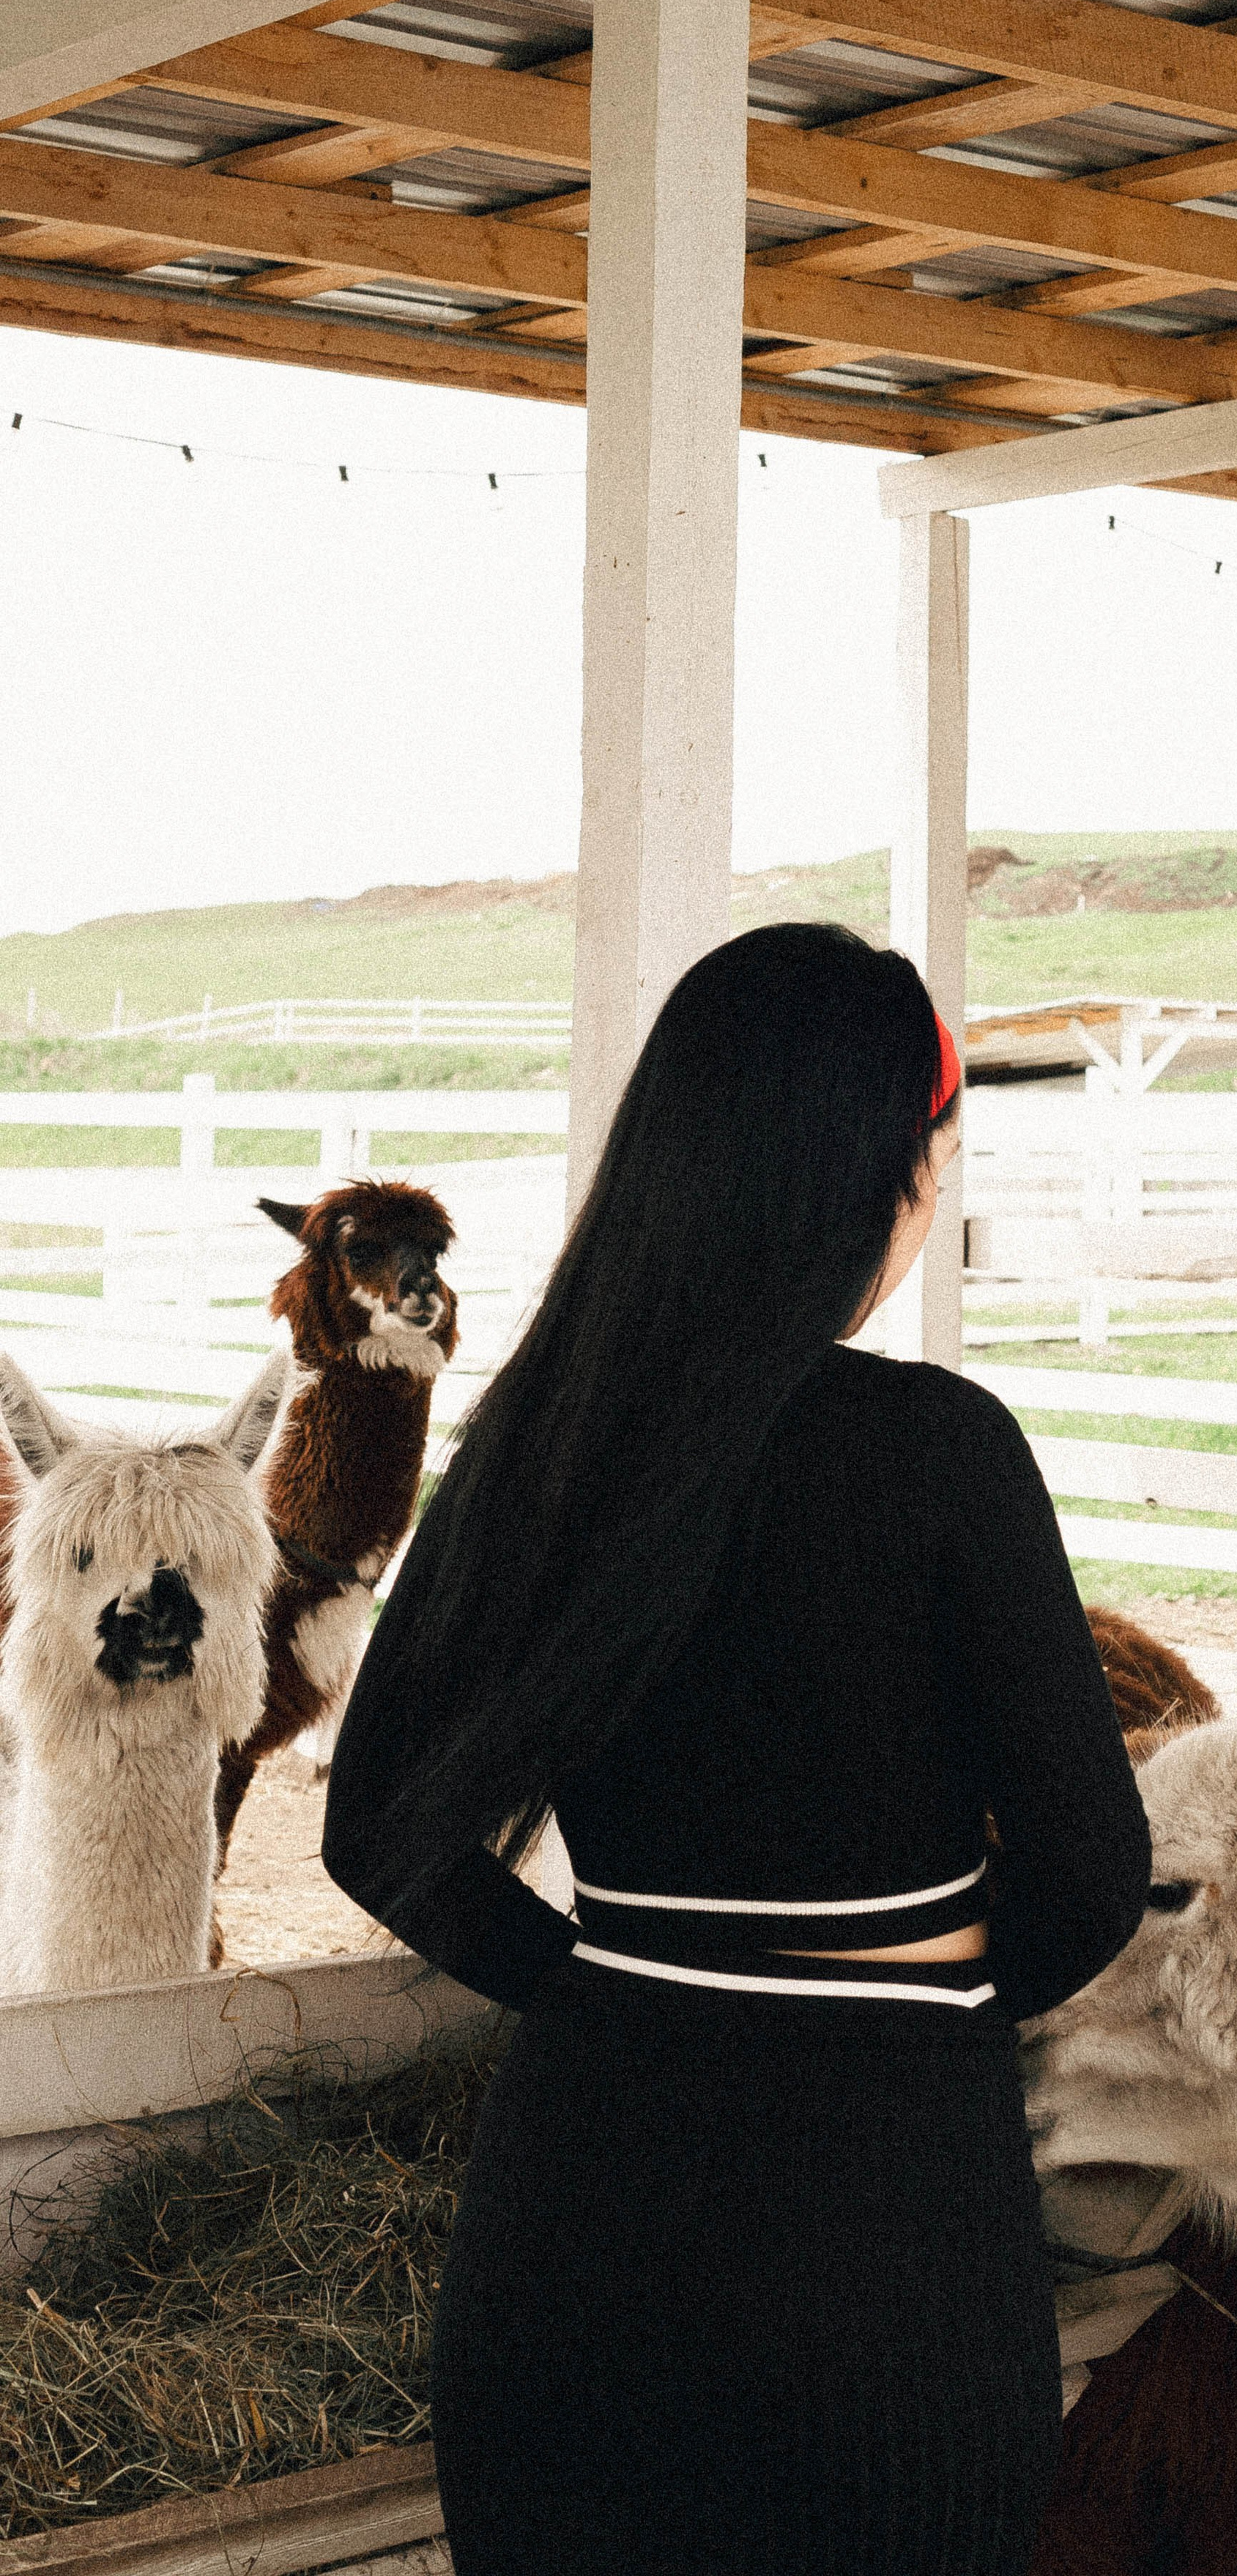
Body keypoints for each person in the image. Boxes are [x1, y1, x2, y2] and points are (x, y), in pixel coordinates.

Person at [321, 921, 1150, 2576]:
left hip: (576, 2203)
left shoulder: (537, 1448)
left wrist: (600, 1982)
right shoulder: (939, 1452)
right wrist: (922, 1996)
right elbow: (1092, 1873)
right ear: (887, 1174)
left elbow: (377, 1831)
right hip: (881, 2222)